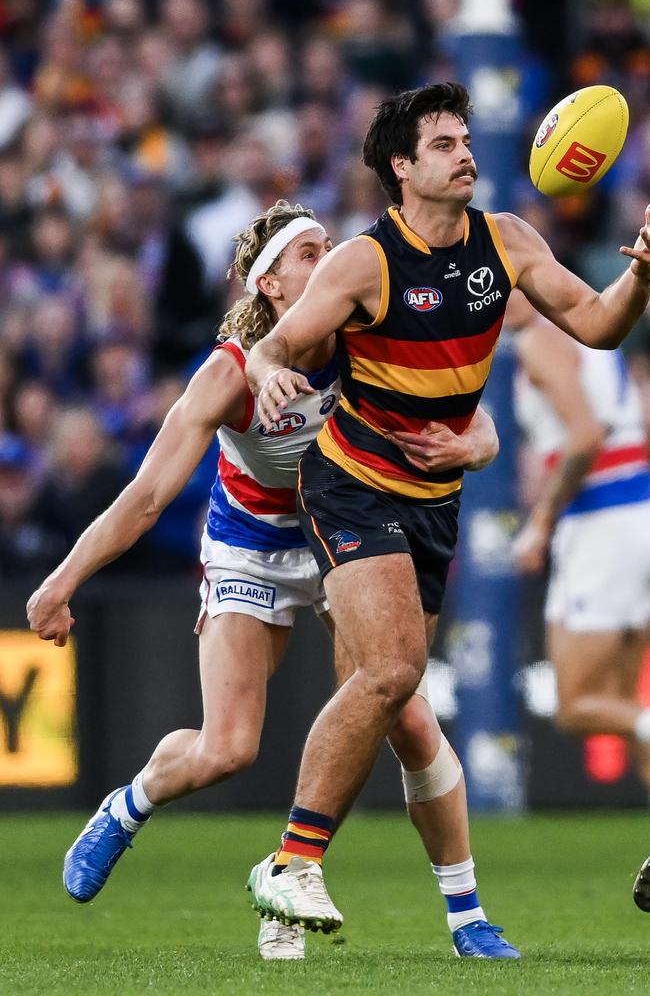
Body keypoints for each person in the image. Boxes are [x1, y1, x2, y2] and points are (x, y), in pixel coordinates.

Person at [26, 200, 508, 961]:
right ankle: (130, 805)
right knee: (227, 748)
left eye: (330, 244)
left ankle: (465, 916)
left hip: (347, 536)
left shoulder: (366, 335)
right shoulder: (230, 372)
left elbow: (472, 415)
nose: (334, 257)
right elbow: (147, 497)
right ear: (272, 286)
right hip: (251, 547)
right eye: (310, 252)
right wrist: (61, 582)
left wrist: (475, 447)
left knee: (407, 716)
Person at [244, 82, 650, 938]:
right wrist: (269, 370)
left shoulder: (507, 241)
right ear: (402, 167)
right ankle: (293, 861)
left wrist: (643, 274)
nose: (466, 154)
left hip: (434, 500)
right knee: (392, 674)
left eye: (467, 140)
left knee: (385, 694)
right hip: (352, 482)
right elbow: (276, 341)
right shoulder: (363, 260)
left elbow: (599, 323)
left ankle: (395, 912)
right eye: (443, 144)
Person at [510, 290, 650, 785]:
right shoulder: (591, 329)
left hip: (600, 525)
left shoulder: (539, 339)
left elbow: (585, 435)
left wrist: (542, 521)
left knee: (575, 704)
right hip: (639, 508)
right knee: (626, 702)